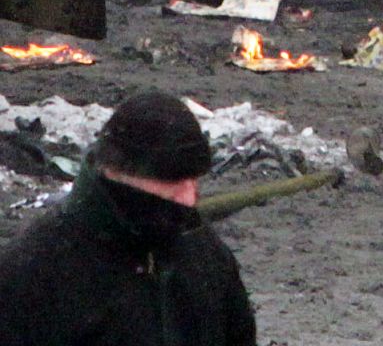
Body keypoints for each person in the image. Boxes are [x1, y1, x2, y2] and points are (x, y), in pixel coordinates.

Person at [0, 91, 256, 344]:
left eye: (193, 179)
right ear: (116, 172)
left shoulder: (205, 256)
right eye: (172, 180)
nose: (189, 198)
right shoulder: (33, 274)